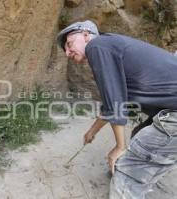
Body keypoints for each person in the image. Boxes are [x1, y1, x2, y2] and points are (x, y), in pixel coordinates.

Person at [57, 20, 177, 198]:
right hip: (171, 108)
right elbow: (113, 102)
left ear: (85, 34)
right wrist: (92, 132)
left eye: (69, 44)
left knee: (128, 171)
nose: (67, 52)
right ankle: (143, 172)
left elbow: (114, 102)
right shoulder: (110, 46)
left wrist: (120, 147)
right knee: (140, 134)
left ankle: (130, 178)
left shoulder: (97, 46)